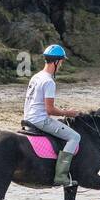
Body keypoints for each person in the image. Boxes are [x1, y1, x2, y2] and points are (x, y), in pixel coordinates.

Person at [24, 44, 82, 186]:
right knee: (75, 137)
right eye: (61, 61)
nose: (61, 64)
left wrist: (60, 111)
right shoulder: (49, 81)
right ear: (56, 62)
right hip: (40, 120)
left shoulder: (36, 77)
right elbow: (49, 110)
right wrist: (68, 113)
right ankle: (61, 176)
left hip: (28, 117)